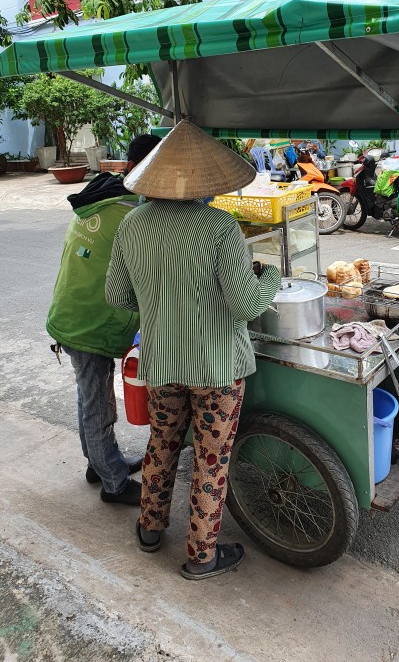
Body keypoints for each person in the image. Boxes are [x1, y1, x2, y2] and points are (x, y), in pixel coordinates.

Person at [105, 118, 281, 579]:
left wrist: (158, 295)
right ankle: (202, 556)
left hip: (162, 362)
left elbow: (118, 297)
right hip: (217, 369)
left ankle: (149, 529)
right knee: (210, 460)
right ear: (204, 180)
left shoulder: (132, 224)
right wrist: (271, 279)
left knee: (161, 444)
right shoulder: (220, 226)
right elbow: (244, 303)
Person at [46, 134, 161, 505]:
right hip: (87, 321)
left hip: (72, 309)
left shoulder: (103, 193)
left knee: (89, 396)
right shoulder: (131, 215)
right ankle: (113, 483)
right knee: (98, 404)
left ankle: (98, 463)